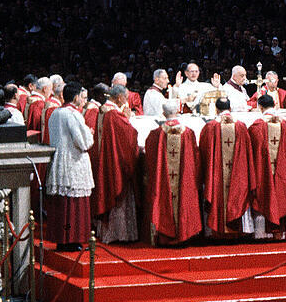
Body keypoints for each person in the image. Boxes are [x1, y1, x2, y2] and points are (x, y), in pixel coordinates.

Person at [45, 82, 94, 251]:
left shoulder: (55, 113)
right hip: (73, 161)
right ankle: (73, 240)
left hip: (59, 160)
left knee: (62, 203)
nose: (84, 100)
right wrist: (90, 133)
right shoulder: (73, 115)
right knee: (74, 203)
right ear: (75, 97)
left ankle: (62, 239)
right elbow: (83, 142)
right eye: (83, 97)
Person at [146, 101, 202, 244]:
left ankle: (165, 234)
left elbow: (150, 159)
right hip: (183, 178)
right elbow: (195, 158)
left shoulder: (156, 134)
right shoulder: (188, 133)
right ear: (178, 111)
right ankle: (184, 234)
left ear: (163, 114)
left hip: (165, 180)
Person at [248, 95, 286, 238]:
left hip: (264, 175)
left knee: (264, 190)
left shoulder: (257, 127)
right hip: (282, 176)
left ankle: (263, 234)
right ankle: (285, 233)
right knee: (282, 190)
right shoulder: (284, 124)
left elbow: (253, 155)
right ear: (275, 105)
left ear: (260, 107)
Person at [199, 98, 253, 237]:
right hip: (237, 175)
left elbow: (204, 154)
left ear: (216, 109)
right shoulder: (240, 126)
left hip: (217, 177)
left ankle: (216, 232)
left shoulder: (210, 127)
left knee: (218, 191)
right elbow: (248, 153)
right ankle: (239, 230)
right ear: (230, 108)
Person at [91, 86, 139, 243]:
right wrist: (128, 120)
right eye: (126, 97)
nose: (127, 100)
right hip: (115, 163)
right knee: (119, 193)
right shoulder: (114, 114)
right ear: (119, 98)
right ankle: (119, 234)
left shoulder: (103, 110)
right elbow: (129, 136)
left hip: (105, 159)